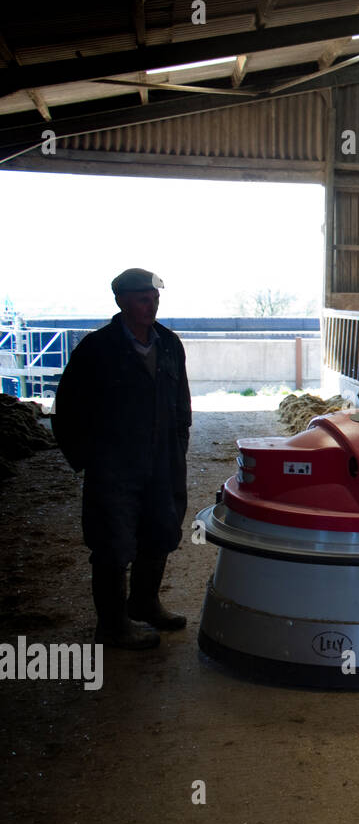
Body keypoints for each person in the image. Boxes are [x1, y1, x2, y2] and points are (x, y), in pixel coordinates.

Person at [53, 268, 191, 650]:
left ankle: (144, 603)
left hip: (161, 460)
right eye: (144, 299)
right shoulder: (97, 349)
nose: (152, 305)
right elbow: (67, 408)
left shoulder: (168, 343)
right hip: (115, 464)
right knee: (112, 542)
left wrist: (178, 446)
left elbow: (181, 402)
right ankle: (112, 625)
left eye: (155, 298)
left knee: (161, 530)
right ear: (122, 302)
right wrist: (87, 459)